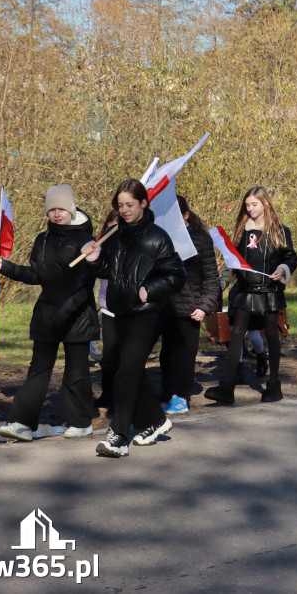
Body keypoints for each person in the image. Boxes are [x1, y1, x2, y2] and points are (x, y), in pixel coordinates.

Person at [81, 179, 186, 458]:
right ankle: (156, 420)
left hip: (145, 312)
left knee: (127, 370)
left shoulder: (157, 237)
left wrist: (148, 289)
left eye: (130, 204)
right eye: (120, 205)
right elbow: (108, 270)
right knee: (121, 367)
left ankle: (118, 435)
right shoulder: (114, 234)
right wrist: (94, 259)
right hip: (116, 310)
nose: (125, 210)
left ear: (143, 203)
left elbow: (177, 275)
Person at [0, 185, 100, 442]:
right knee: (38, 370)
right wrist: (5, 266)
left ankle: (81, 422)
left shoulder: (85, 240)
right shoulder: (42, 239)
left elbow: (84, 283)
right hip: (47, 313)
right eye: (51, 209)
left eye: (61, 208)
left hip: (77, 314)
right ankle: (22, 424)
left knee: (76, 372)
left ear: (71, 209)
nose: (56, 213)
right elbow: (36, 276)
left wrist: (92, 257)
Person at [204, 186, 297, 405]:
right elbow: (233, 256)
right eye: (247, 205)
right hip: (246, 290)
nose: (250, 208)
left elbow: (291, 257)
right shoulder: (241, 230)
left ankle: (274, 385)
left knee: (272, 335)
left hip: (270, 290)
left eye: (254, 204)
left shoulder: (280, 231)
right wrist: (232, 270)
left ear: (265, 203)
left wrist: (283, 268)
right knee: (237, 333)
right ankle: (227, 388)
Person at [158, 195, 220, 415]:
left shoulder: (201, 239)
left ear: (185, 215)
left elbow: (211, 278)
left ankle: (181, 397)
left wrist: (204, 306)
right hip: (164, 306)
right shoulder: (160, 237)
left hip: (190, 308)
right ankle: (167, 390)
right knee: (167, 353)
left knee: (185, 355)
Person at [92, 211, 120, 413]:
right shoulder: (100, 246)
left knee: (126, 355)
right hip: (108, 306)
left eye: (116, 227)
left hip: (130, 308)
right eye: (109, 227)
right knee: (108, 356)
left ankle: (127, 396)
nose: (112, 231)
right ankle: (108, 394)